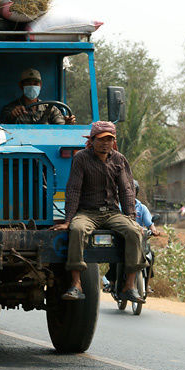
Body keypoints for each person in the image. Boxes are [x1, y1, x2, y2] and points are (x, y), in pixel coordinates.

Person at [50, 121, 146, 303]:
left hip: (111, 212)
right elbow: (74, 189)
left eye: (109, 140)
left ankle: (130, 286)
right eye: (101, 140)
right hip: (87, 212)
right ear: (92, 140)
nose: (105, 143)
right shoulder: (81, 159)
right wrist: (68, 220)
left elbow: (126, 190)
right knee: (77, 230)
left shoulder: (119, 159)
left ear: (114, 142)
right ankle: (76, 284)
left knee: (134, 232)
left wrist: (132, 219)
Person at [102, 179, 160, 291]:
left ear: (136, 192)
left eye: (132, 191)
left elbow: (149, 223)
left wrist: (153, 230)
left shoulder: (142, 207)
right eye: (126, 191)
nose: (129, 193)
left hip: (140, 240)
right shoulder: (116, 206)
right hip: (121, 239)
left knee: (150, 256)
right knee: (115, 257)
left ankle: (146, 284)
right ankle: (112, 283)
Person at [0, 69, 76, 125]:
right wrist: (12, 115)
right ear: (21, 86)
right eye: (28, 83)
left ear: (40, 85)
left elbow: (61, 129)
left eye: (35, 83)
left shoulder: (51, 109)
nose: (32, 86)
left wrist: (67, 123)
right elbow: (3, 124)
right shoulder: (11, 109)